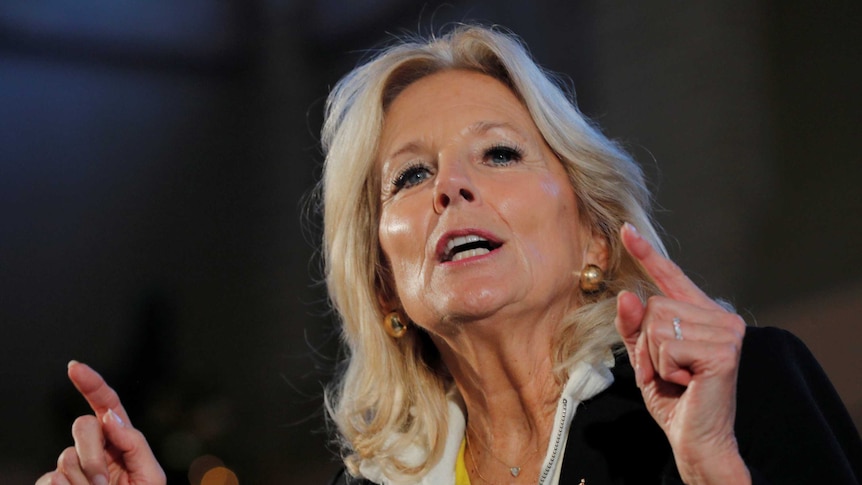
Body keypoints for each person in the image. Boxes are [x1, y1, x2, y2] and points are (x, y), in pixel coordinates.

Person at [37, 24, 860, 485]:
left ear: (593, 237)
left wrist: (715, 468)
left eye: (498, 154)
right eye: (412, 175)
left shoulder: (741, 389)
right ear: (384, 283)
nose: (450, 189)